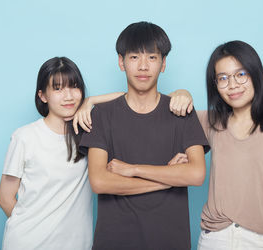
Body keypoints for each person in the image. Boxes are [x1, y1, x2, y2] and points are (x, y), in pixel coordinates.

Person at [78, 21, 210, 250]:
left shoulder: (181, 111)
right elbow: (99, 181)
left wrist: (133, 169)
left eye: (152, 57)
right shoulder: (101, 115)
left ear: (163, 63)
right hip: (114, 241)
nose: (143, 66)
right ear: (121, 62)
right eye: (134, 57)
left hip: (170, 242)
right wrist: (169, 180)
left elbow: (196, 174)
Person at [168, 41, 263, 250]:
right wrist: (181, 92)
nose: (232, 85)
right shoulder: (212, 122)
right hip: (213, 240)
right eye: (223, 78)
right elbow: (153, 108)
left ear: (255, 74)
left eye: (240, 74)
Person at [0, 57, 126, 250]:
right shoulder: (25, 137)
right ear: (43, 96)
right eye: (57, 88)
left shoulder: (89, 133)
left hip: (76, 244)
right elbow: (5, 198)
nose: (68, 96)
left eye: (74, 87)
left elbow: (129, 99)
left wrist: (90, 101)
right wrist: (35, 230)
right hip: (27, 243)